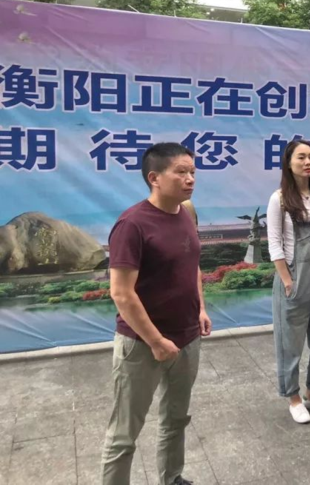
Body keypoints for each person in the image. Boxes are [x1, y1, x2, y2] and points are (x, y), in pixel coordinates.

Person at [101, 143, 212, 485]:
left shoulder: (186, 212)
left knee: (176, 419)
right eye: (181, 172)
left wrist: (201, 307)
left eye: (192, 171)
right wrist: (156, 341)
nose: (190, 178)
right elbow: (121, 292)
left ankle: (172, 477)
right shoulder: (132, 224)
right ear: (154, 178)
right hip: (141, 344)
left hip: (187, 337)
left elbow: (191, 264)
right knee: (123, 435)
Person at [267, 139, 310, 424]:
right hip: (294, 279)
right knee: (290, 345)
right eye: (301, 157)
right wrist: (287, 280)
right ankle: (293, 398)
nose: (308, 162)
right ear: (288, 162)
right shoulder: (280, 199)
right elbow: (274, 244)